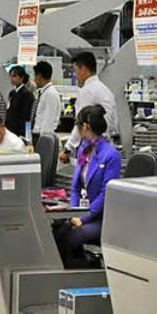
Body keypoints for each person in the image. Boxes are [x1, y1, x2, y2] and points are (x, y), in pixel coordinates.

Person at [52, 105, 121, 268]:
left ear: (85, 127)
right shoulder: (83, 149)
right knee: (57, 231)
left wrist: (83, 218)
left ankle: (72, 270)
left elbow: (105, 194)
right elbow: (75, 186)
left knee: (70, 238)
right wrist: (73, 212)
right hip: (80, 211)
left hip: (99, 218)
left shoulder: (111, 155)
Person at [59, 52, 118, 164]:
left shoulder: (87, 91)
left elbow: (80, 125)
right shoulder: (106, 90)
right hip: (106, 146)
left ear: (83, 69)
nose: (75, 75)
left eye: (75, 70)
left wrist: (67, 149)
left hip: (90, 149)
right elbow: (114, 124)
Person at [31, 61, 62, 142]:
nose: (34, 79)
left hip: (42, 137)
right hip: (38, 135)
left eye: (34, 75)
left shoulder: (50, 94)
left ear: (39, 76)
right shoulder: (44, 93)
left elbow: (48, 121)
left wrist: (43, 141)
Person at [5, 66, 35, 138]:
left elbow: (27, 117)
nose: (12, 78)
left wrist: (26, 135)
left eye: (14, 76)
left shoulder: (27, 94)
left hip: (20, 133)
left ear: (21, 78)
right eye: (11, 76)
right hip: (10, 130)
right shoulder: (12, 93)